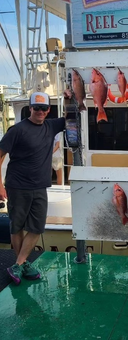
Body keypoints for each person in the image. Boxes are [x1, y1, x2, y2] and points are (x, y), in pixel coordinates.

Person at [0, 92, 66, 285]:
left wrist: (70, 96)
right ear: (29, 108)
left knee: (37, 227)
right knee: (17, 226)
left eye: (44, 108)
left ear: (48, 110)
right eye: (36, 108)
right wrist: (0, 185)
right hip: (17, 186)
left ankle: (19, 264)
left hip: (40, 186)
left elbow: (73, 115)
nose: (40, 111)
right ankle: (23, 264)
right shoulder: (17, 130)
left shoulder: (51, 126)